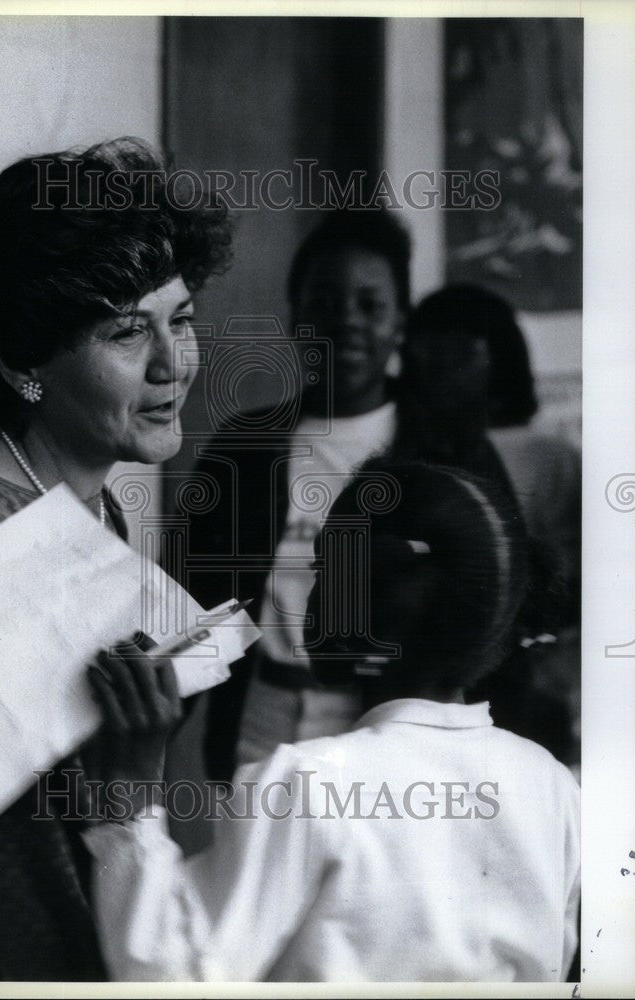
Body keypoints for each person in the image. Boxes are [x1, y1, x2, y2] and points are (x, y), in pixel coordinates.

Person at [0, 137, 232, 981]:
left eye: (181, 319)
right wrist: (136, 780)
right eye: (128, 332)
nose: (173, 365)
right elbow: (29, 888)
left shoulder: (81, 497)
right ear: (25, 365)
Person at [83, 461, 581, 982]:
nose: (305, 593)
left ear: (359, 598)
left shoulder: (306, 783)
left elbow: (173, 982)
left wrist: (130, 801)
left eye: (320, 570)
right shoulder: (551, 784)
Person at [184, 209, 411, 782]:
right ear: (296, 320)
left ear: (400, 319)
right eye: (324, 303)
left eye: (370, 304)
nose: (347, 322)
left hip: (390, 726)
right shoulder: (245, 444)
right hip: (262, 719)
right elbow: (190, 595)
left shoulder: (439, 444)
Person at [401, 285, 580, 768]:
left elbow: (571, 581)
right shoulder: (413, 448)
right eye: (426, 350)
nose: (438, 366)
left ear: (498, 357)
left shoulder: (547, 457)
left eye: (460, 352)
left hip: (528, 679)